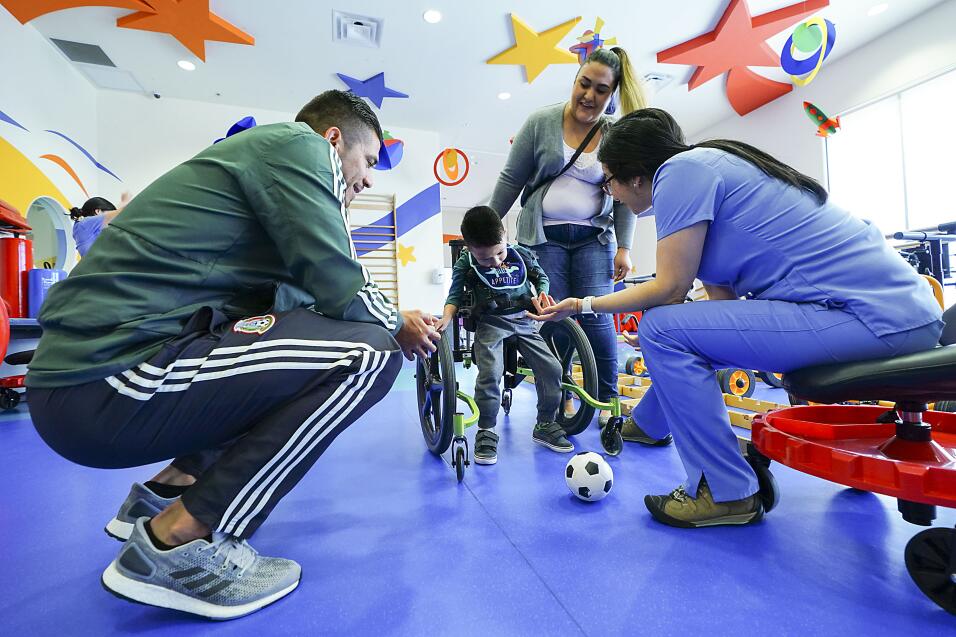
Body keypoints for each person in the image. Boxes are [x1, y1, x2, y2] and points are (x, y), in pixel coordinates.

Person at [26, 90, 440, 619]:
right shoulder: (299, 146)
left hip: (86, 386)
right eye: (367, 160)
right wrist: (396, 322)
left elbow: (306, 311)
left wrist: (389, 315)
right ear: (333, 139)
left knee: (293, 347)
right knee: (370, 355)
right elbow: (338, 279)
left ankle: (165, 492)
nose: (370, 178)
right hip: (104, 382)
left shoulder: (261, 188)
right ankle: (182, 541)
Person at [530, 108, 944, 529]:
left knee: (659, 328)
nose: (612, 194)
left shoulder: (679, 173)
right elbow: (716, 316)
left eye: (610, 181)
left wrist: (582, 304)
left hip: (869, 317)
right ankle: (648, 425)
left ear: (635, 176)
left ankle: (725, 492)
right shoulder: (709, 171)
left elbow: (670, 289)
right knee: (667, 333)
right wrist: (665, 345)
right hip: (897, 313)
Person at [489, 47, 647, 428]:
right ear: (575, 80)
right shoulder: (541, 122)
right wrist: (489, 230)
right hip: (544, 239)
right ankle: (558, 402)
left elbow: (626, 195)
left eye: (601, 90)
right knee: (554, 318)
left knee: (598, 318)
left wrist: (624, 246)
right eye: (584, 84)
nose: (589, 96)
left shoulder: (613, 134)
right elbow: (512, 179)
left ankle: (609, 405)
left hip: (595, 239)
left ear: (612, 95)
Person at [437, 206, 569, 464]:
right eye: (486, 259)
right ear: (471, 249)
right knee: (490, 374)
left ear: (505, 236)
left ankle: (544, 424)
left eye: (500, 252)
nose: (496, 261)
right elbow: (454, 295)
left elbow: (540, 277)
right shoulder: (466, 262)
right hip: (491, 324)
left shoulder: (520, 254)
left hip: (524, 321)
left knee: (553, 368)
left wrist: (542, 292)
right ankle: (486, 430)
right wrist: (446, 317)